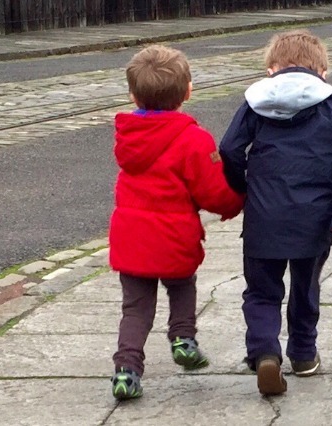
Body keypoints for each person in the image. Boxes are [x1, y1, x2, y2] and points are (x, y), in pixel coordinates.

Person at [219, 30, 332, 396]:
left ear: (272, 69)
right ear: (322, 71)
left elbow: (229, 148)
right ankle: (303, 354)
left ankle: (265, 352)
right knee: (306, 287)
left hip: (264, 215)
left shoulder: (254, 104)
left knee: (261, 291)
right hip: (315, 218)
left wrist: (243, 188)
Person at [107, 44, 246, 400]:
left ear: (133, 95)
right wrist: (237, 204)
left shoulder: (128, 137)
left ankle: (126, 370)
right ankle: (183, 338)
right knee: (182, 285)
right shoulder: (192, 138)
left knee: (135, 309)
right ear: (188, 91)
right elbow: (212, 191)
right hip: (174, 237)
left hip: (131, 238)